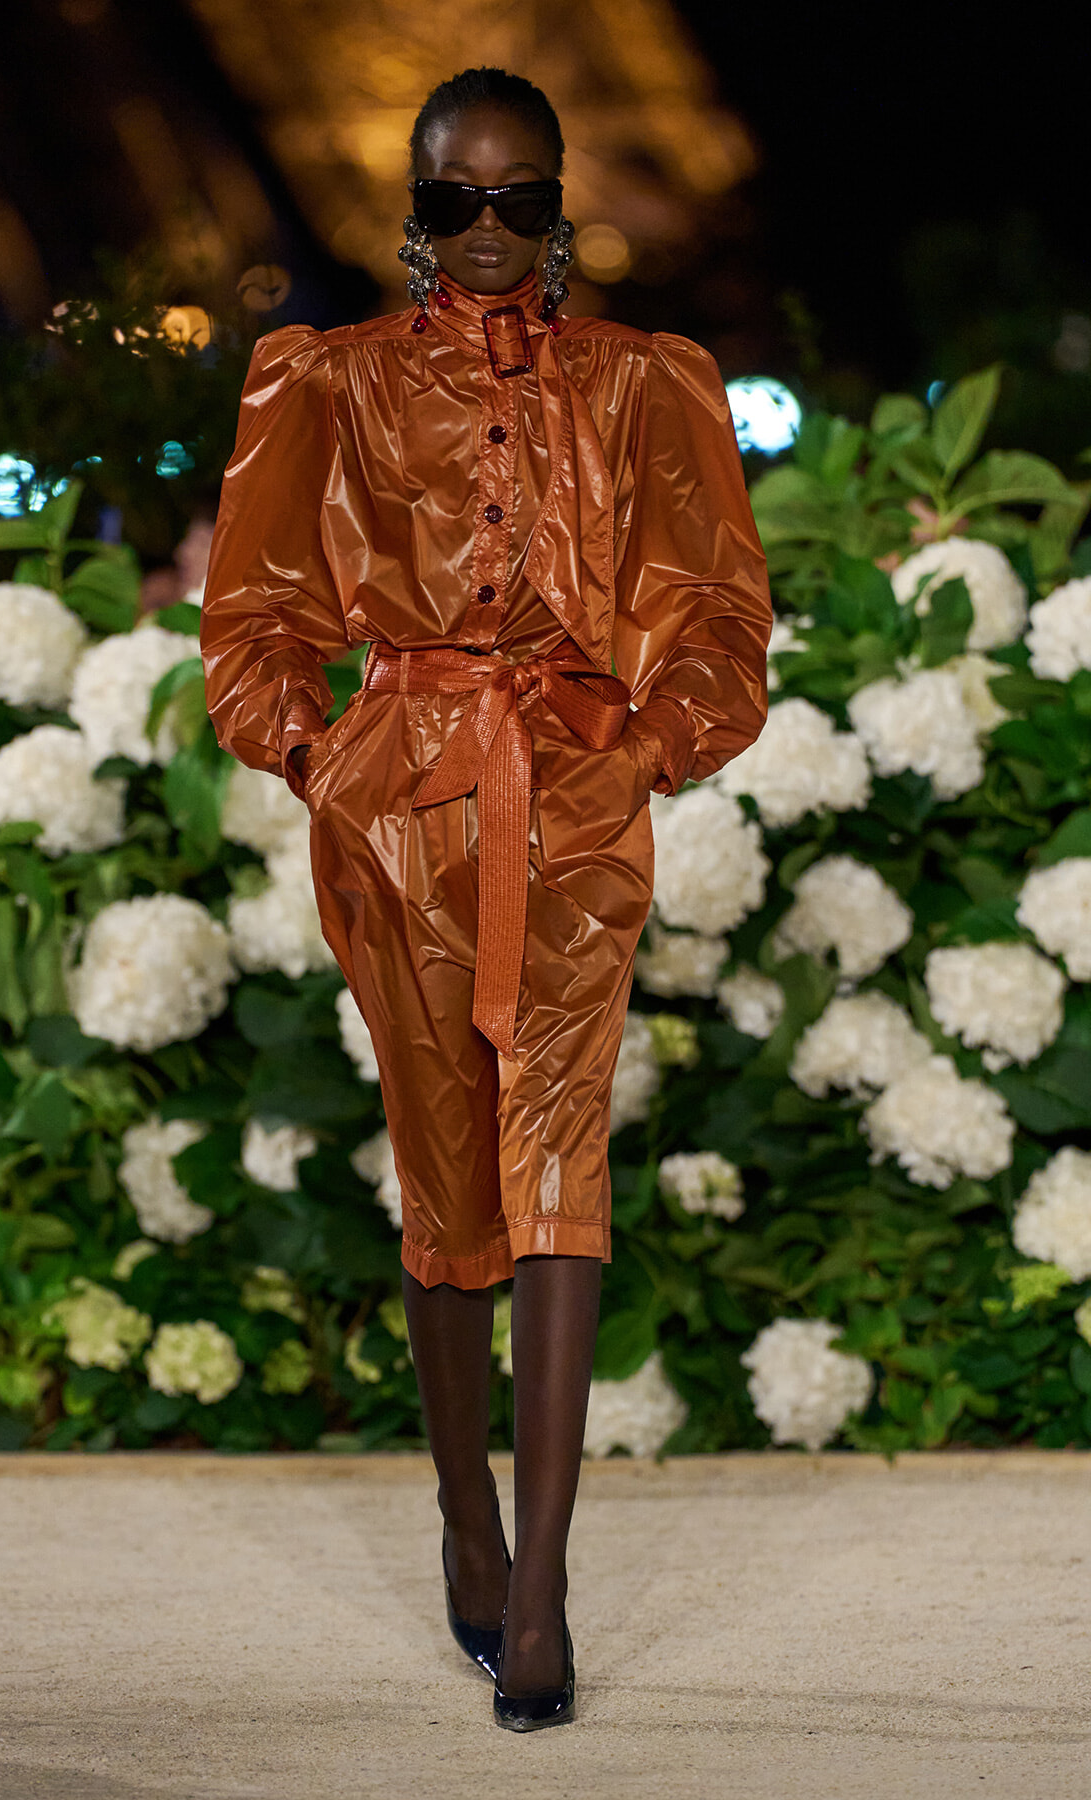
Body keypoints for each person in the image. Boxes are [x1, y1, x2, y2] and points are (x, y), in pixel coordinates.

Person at [200, 66, 771, 1731]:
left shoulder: (648, 385)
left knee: (560, 1150)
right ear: (412, 209)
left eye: (527, 201)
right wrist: (321, 758)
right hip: (403, 813)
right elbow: (255, 617)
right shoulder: (333, 382)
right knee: (446, 1162)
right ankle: (467, 1519)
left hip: (578, 803)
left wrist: (653, 745)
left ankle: (541, 1586)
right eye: (458, 202)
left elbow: (715, 607)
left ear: (565, 207)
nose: (495, 233)